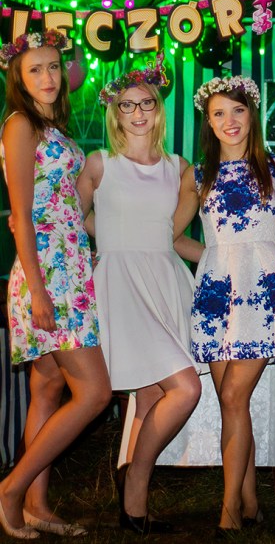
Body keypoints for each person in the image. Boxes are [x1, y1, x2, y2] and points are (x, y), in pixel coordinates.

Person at [76, 55, 203, 535]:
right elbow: (70, 220)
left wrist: (225, 262)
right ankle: (134, 474)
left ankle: (133, 509)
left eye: (145, 103)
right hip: (121, 284)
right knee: (186, 388)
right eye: (127, 105)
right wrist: (109, 240)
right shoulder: (99, 163)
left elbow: (174, 235)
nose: (137, 113)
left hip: (165, 280)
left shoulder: (179, 167)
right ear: (115, 111)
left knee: (151, 394)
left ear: (158, 108)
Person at [173, 75, 275, 534]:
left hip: (263, 292)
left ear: (252, 114)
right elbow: (172, 236)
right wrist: (213, 258)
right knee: (232, 405)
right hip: (216, 295)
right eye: (219, 113)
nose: (230, 121)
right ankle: (249, 501)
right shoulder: (197, 175)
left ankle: (228, 510)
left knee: (231, 395)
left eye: (238, 110)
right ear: (208, 121)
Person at [0, 30, 112, 539]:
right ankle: (11, 488)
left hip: (70, 265)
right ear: (18, 78)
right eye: (34, 69)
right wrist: (40, 291)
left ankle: (37, 506)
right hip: (48, 272)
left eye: (52, 67)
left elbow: (67, 205)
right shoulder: (21, 124)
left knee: (46, 388)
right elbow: (21, 215)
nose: (47, 77)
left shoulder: (53, 127)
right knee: (95, 392)